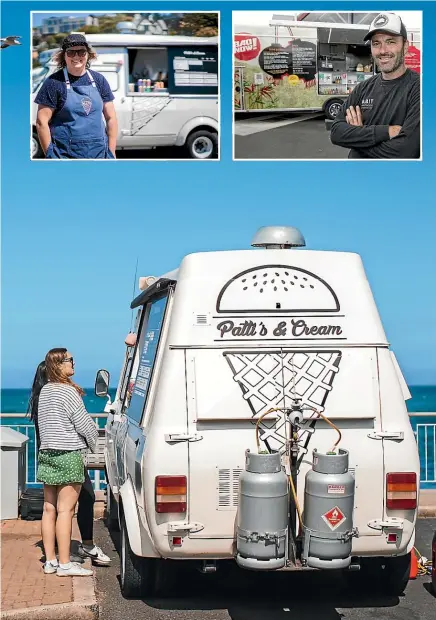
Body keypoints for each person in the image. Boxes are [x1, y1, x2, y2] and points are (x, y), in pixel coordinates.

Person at [29, 356, 111, 569]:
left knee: (49, 509)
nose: (73, 363)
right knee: (66, 511)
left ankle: (50, 561)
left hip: (47, 454)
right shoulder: (68, 391)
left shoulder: (44, 392)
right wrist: (94, 444)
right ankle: (65, 563)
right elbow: (85, 425)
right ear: (57, 366)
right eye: (69, 359)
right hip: (68, 455)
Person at [330, 13, 420, 159]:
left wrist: (357, 138)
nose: (383, 50)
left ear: (405, 47)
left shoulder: (419, 89)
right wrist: (385, 132)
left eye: (390, 42)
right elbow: (336, 132)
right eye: (376, 43)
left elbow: (405, 151)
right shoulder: (363, 88)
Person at [35, 34, 118, 159]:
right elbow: (41, 123)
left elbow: (111, 118)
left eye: (81, 52)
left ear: (88, 54)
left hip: (99, 154)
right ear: (64, 55)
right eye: (71, 52)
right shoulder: (53, 83)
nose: (77, 56)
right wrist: (51, 156)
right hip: (64, 156)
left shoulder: (99, 80)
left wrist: (111, 153)